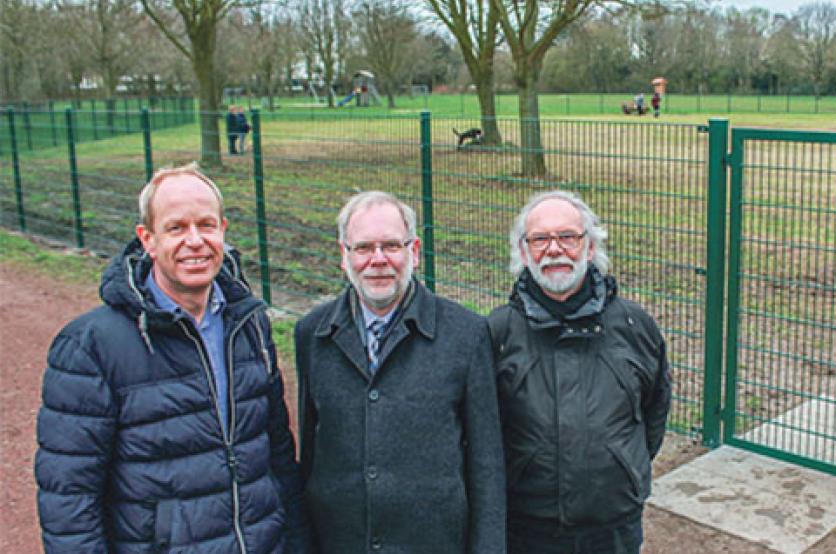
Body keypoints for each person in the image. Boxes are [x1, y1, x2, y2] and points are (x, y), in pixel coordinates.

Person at [35, 164, 312, 553]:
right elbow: (69, 497)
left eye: (206, 225)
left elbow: (277, 455)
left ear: (223, 230)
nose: (195, 241)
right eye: (176, 228)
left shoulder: (250, 325)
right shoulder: (91, 346)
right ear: (147, 239)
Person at [294, 191, 505, 553]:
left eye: (391, 245)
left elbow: (486, 462)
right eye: (363, 248)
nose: (378, 260)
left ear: (415, 251)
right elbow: (311, 453)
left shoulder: (465, 334)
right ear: (344, 256)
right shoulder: (312, 334)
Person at [488, 190, 672, 554]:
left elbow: (654, 410)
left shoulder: (635, 326)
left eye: (568, 237)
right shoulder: (498, 334)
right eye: (540, 239)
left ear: (589, 247)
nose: (554, 249)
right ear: (524, 253)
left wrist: (622, 467)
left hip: (615, 525)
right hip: (527, 529)